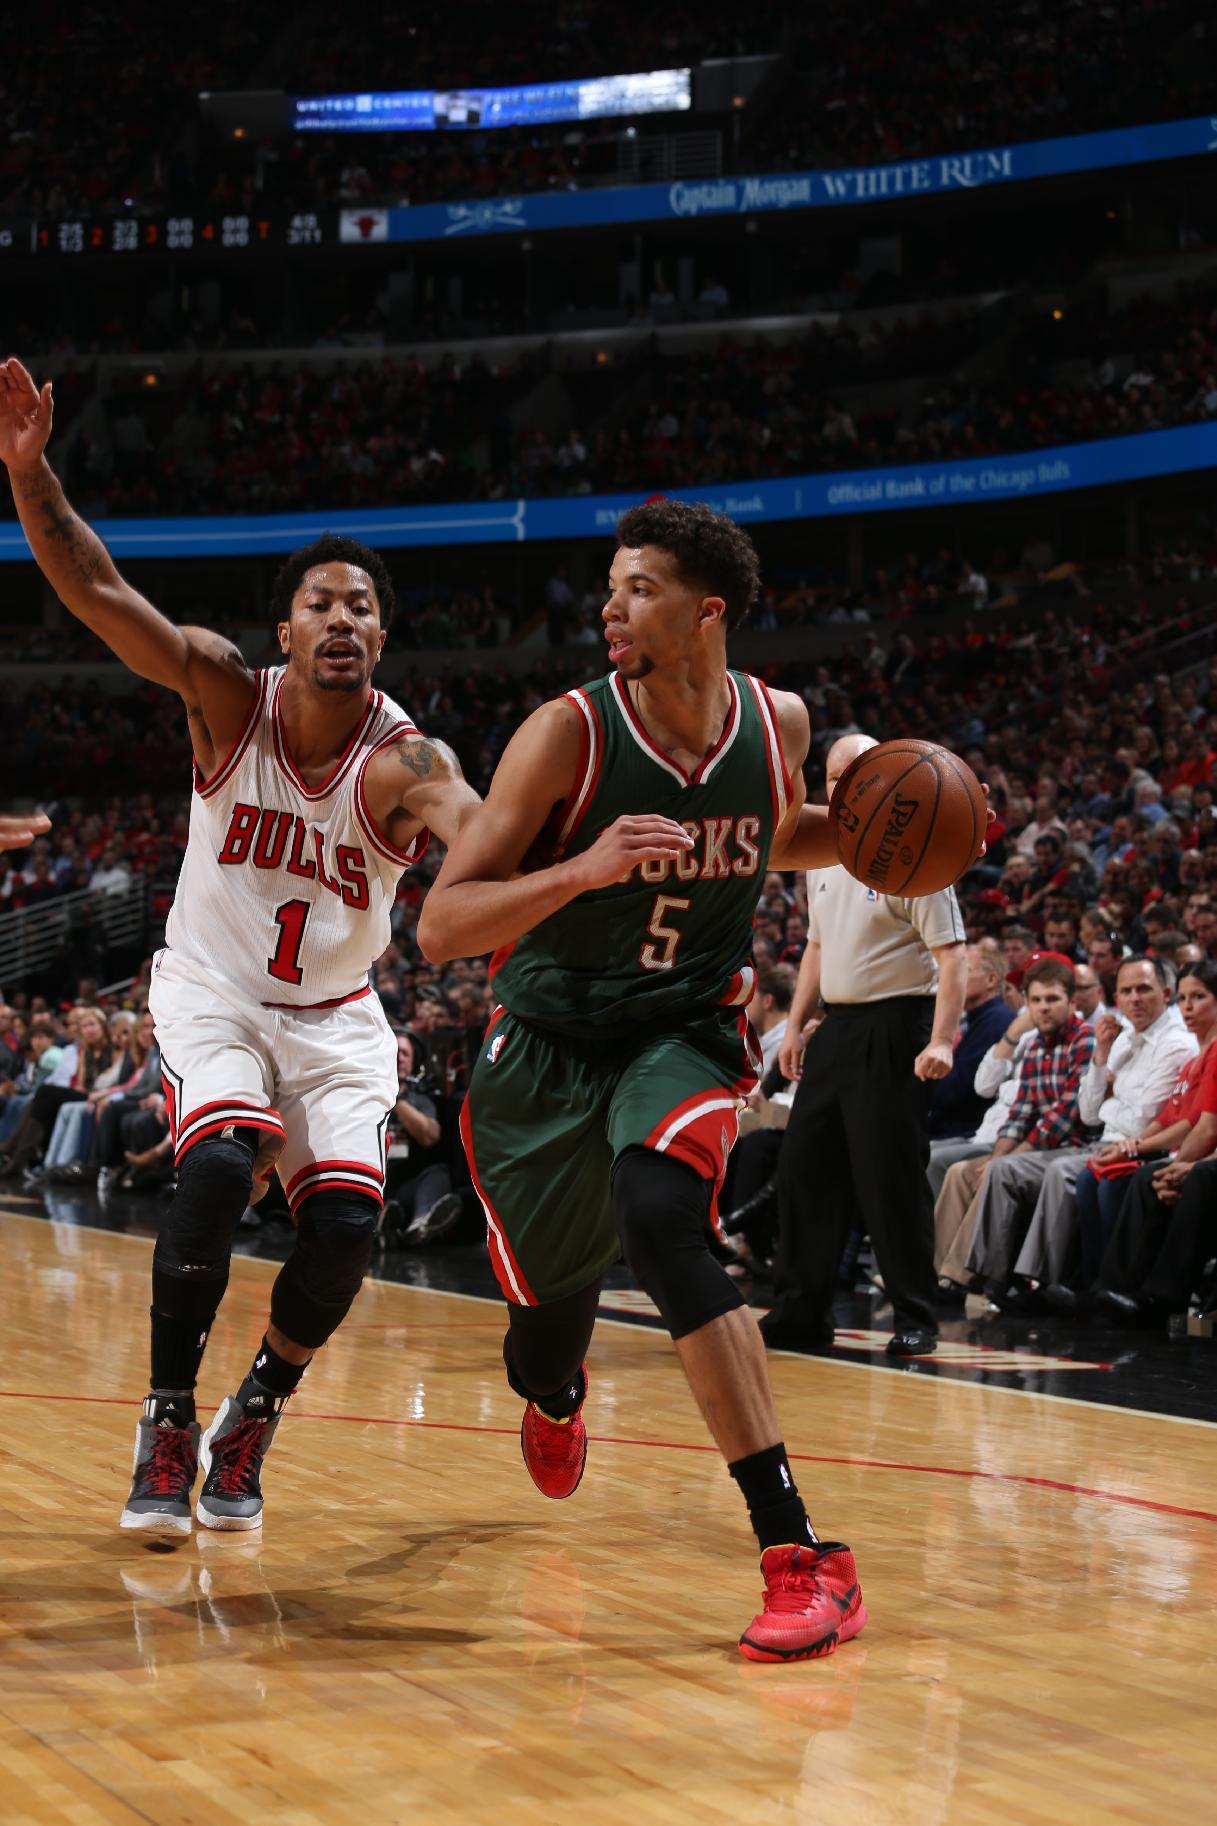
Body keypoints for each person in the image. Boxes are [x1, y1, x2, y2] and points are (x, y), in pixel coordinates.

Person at [0, 354, 480, 1538]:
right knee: (218, 1163)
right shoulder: (225, 690)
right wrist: (28, 473)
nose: (343, 618)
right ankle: (168, 1415)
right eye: (322, 601)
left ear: (381, 635)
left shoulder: (408, 762)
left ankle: (254, 1405)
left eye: (362, 605)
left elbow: (475, 837)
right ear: (286, 626)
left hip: (336, 1013)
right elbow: (99, 589)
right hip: (214, 985)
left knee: (347, 1225)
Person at [419, 500, 871, 1665]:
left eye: (635, 588)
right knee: (541, 1338)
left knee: (662, 1218)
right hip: (546, 1050)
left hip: (680, 1028)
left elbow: (777, 832)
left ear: (705, 609)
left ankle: (799, 1553)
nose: (607, 608)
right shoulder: (564, 733)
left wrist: (879, 834)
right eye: (607, 588)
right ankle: (554, 1387)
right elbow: (441, 924)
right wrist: (584, 864)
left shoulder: (779, 720)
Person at [762, 734, 968, 1360]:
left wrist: (942, 1040)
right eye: (832, 775)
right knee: (804, 1168)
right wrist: (796, 1028)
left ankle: (915, 1314)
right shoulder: (822, 857)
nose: (841, 784)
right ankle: (802, 1309)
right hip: (839, 1026)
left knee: (889, 1175)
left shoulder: (920, 852)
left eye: (855, 772)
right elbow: (816, 950)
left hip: (897, 1026)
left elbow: (953, 956)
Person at [927, 943, 1010, 1141]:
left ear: (991, 980)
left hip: (966, 1129)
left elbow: (959, 1088)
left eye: (964, 970)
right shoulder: (972, 1019)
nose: (951, 978)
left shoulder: (997, 1020)